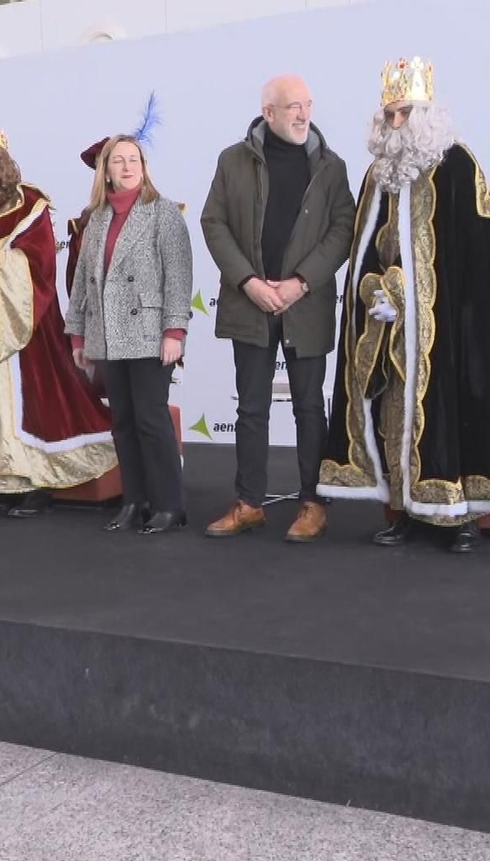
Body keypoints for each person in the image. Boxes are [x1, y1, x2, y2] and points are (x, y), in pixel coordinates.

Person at [316, 57, 490, 553]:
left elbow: (475, 255)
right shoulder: (377, 174)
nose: (396, 122)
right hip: (390, 327)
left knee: (454, 413)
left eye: (404, 112)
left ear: (427, 113)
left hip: (450, 321)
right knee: (394, 418)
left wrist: (414, 294)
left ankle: (459, 514)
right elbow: (366, 247)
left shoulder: (457, 164)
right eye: (389, 113)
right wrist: (376, 291)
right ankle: (405, 508)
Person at [0, 124, 117, 518]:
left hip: (23, 323)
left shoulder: (27, 203)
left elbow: (41, 261)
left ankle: (33, 483)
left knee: (27, 401)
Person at [199, 74, 355, 542]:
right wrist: (248, 282)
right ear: (268, 113)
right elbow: (213, 222)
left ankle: (313, 503)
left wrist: (300, 283)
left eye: (308, 104)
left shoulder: (331, 167)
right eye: (293, 107)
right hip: (249, 306)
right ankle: (249, 503)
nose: (304, 114)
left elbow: (343, 229)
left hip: (305, 306)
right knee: (251, 408)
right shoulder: (232, 160)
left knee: (310, 407)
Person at [65, 135, 194, 534]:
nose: (127, 166)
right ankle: (134, 500)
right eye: (118, 160)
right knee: (122, 422)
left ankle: (169, 505)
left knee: (151, 420)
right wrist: (78, 336)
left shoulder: (163, 212)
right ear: (106, 170)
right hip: (107, 334)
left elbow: (179, 276)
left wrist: (174, 331)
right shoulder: (96, 218)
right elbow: (83, 284)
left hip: (150, 333)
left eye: (134, 159)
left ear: (143, 166)